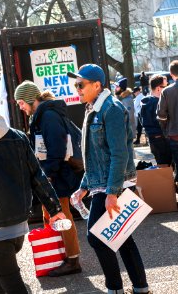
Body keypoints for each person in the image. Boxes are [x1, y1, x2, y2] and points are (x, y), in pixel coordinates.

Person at [67, 64, 152, 294]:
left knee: (96, 237)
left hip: (113, 185)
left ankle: (115, 288)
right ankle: (140, 287)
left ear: (97, 85)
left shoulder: (111, 109)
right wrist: (84, 187)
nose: (78, 88)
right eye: (76, 84)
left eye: (81, 84)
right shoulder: (93, 108)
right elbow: (95, 156)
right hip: (103, 184)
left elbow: (119, 153)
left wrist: (112, 192)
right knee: (123, 238)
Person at [0, 88, 65, 293]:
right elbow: (37, 176)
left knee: (9, 279)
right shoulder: (17, 137)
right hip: (19, 221)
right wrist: (54, 209)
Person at [14, 82, 82, 277]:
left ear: (30, 99)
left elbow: (57, 149)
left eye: (21, 103)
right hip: (54, 172)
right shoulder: (42, 114)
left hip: (57, 174)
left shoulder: (48, 116)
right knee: (52, 215)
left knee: (61, 215)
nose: (20, 107)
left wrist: (48, 175)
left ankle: (72, 260)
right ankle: (60, 255)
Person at [140, 74, 171, 167]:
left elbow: (142, 122)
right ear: (158, 88)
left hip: (153, 138)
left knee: (162, 166)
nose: (167, 88)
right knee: (166, 167)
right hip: (162, 138)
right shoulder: (158, 103)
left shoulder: (145, 101)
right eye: (166, 86)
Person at [157, 60, 178, 188]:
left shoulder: (166, 92)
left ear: (171, 74)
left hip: (174, 135)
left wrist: (165, 130)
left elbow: (161, 115)